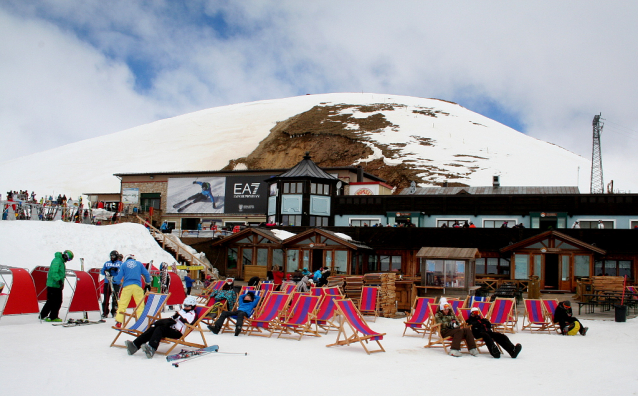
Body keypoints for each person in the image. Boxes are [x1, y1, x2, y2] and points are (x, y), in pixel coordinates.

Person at [125, 296, 198, 359]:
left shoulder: (193, 315)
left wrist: (180, 317)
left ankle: (152, 348)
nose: (185, 307)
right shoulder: (182, 311)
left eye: (188, 306)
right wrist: (173, 318)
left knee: (160, 329)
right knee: (154, 327)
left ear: (193, 306)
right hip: (171, 328)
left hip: (177, 332)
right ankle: (135, 345)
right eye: (184, 305)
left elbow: (190, 324)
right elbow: (173, 318)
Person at [113, 254, 151, 328]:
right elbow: (146, 273)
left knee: (123, 304)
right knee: (140, 304)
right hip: (137, 286)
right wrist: (148, 281)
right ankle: (141, 322)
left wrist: (114, 279)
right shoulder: (139, 264)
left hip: (127, 286)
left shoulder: (124, 265)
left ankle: (119, 322)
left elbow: (119, 277)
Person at [39, 250, 74, 322]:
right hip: (53, 284)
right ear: (66, 256)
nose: (68, 260)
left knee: (55, 301)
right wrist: (59, 280)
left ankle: (48, 315)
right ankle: (49, 316)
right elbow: (54, 272)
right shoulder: (57, 261)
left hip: (56, 285)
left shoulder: (60, 261)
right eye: (69, 259)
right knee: (54, 301)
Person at [100, 250, 122, 319]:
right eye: (111, 256)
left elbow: (121, 272)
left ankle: (114, 311)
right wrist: (106, 271)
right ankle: (105, 312)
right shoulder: (107, 263)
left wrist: (116, 270)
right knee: (106, 298)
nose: (112, 258)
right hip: (108, 282)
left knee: (115, 297)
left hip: (116, 282)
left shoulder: (120, 263)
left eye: (114, 256)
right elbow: (102, 272)